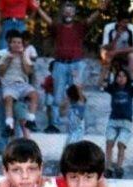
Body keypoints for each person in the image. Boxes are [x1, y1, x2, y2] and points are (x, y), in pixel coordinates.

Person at [35, 1, 106, 133]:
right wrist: (38, 9)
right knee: (57, 96)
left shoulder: (79, 27)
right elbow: (48, 21)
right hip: (60, 64)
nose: (68, 13)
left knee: (77, 94)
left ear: (74, 13)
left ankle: (77, 124)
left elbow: (90, 20)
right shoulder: (58, 27)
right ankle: (54, 125)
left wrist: (99, 11)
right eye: (66, 10)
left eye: (71, 10)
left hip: (76, 64)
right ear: (63, 13)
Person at [101, 68, 133, 178]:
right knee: (109, 143)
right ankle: (108, 167)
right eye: (119, 76)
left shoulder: (130, 89)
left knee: (121, 144)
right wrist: (105, 70)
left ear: (127, 78)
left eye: (124, 76)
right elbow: (101, 84)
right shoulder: (113, 88)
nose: (121, 78)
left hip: (126, 121)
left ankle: (119, 167)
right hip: (113, 120)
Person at [0, 30, 39, 136]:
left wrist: (22, 59)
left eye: (19, 42)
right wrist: (8, 61)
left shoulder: (24, 55)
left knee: (34, 95)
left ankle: (31, 119)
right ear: (10, 44)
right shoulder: (5, 56)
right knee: (8, 99)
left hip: (22, 84)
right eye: (14, 42)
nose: (16, 45)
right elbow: (1, 73)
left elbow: (28, 71)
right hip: (9, 84)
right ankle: (9, 125)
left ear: (22, 44)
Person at [100, 11, 133, 82]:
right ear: (118, 22)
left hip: (124, 51)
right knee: (106, 56)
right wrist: (116, 37)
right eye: (123, 22)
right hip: (111, 49)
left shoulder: (131, 28)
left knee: (132, 56)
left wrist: (116, 51)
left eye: (127, 22)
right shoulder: (109, 28)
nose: (125, 25)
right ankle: (104, 81)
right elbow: (106, 47)